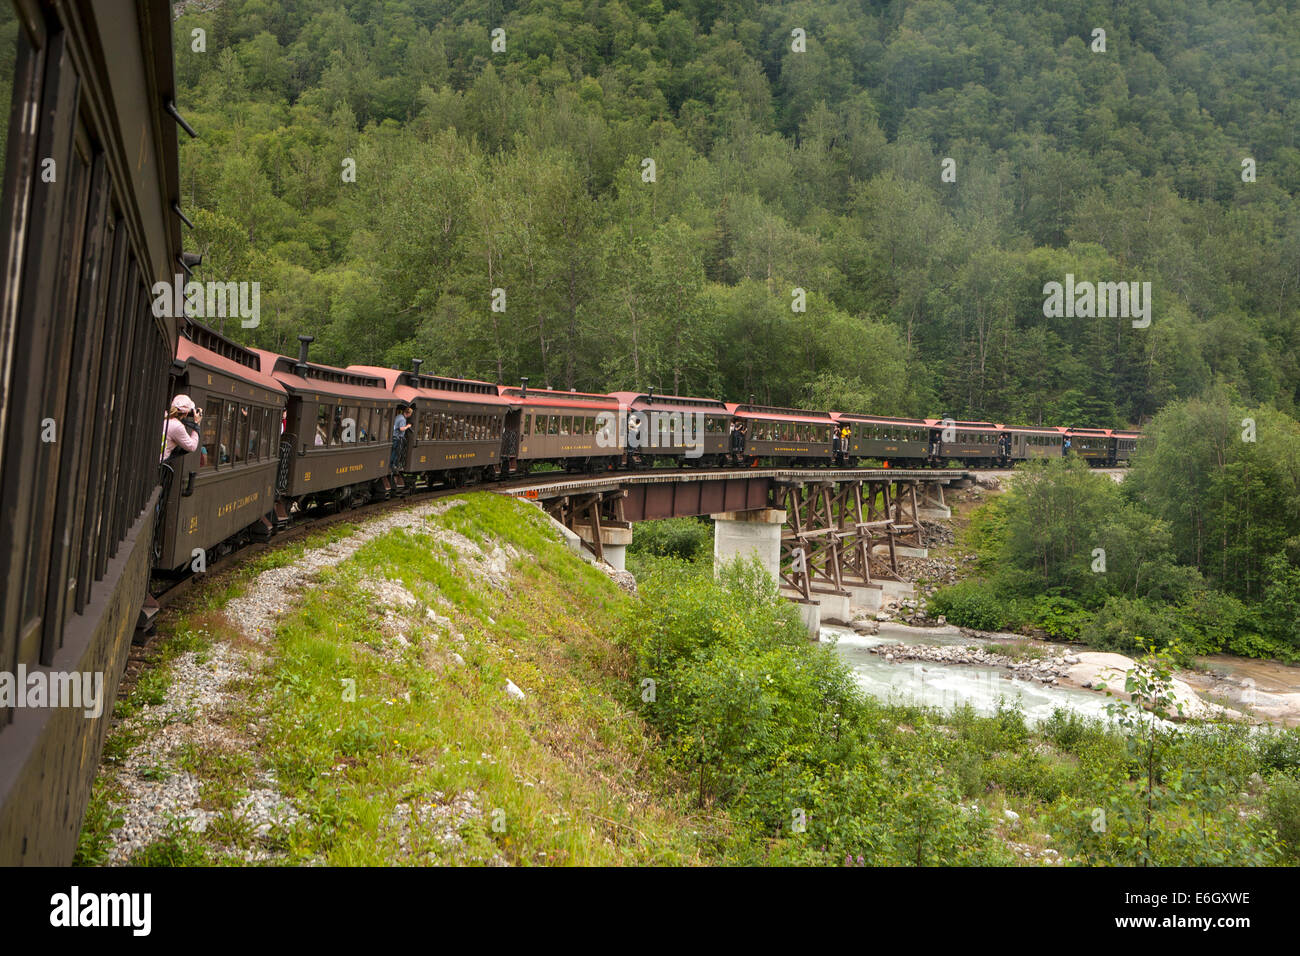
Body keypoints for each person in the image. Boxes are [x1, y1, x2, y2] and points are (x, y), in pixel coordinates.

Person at [161, 394, 201, 462]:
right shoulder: (177, 426)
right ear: (186, 413)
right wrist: (196, 424)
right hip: (159, 463)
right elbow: (192, 447)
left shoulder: (164, 416)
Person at [391, 403, 412, 469]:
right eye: (410, 414)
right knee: (396, 452)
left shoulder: (398, 416)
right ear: (408, 413)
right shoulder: (402, 419)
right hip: (397, 437)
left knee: (393, 451)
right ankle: (393, 465)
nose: (410, 415)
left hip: (393, 436)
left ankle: (392, 464)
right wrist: (407, 426)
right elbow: (401, 428)